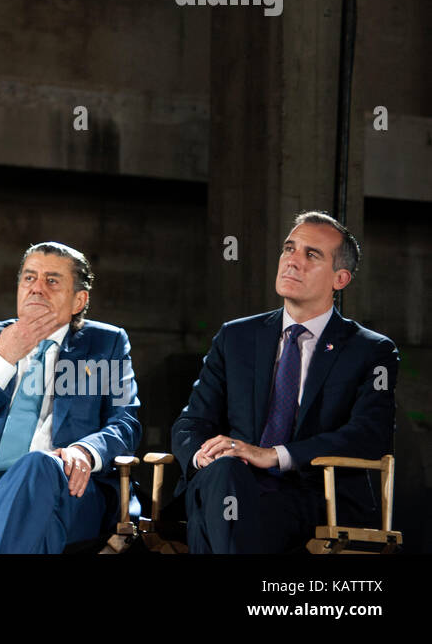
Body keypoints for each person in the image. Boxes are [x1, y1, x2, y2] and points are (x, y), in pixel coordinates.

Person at [171, 211, 399, 553]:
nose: (293, 262)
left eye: (311, 255)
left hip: (312, 496)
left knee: (230, 514)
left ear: (340, 278)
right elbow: (191, 423)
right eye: (289, 249)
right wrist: (205, 455)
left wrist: (274, 455)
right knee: (227, 474)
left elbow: (369, 435)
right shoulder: (236, 337)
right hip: (230, 484)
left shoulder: (370, 350)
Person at [0, 242, 140, 553]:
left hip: (73, 490)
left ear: (78, 300)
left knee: (39, 466)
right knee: (37, 522)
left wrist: (85, 450)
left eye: (52, 280)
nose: (37, 289)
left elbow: (125, 423)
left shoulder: (105, 345)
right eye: (29, 278)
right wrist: (1, 358)